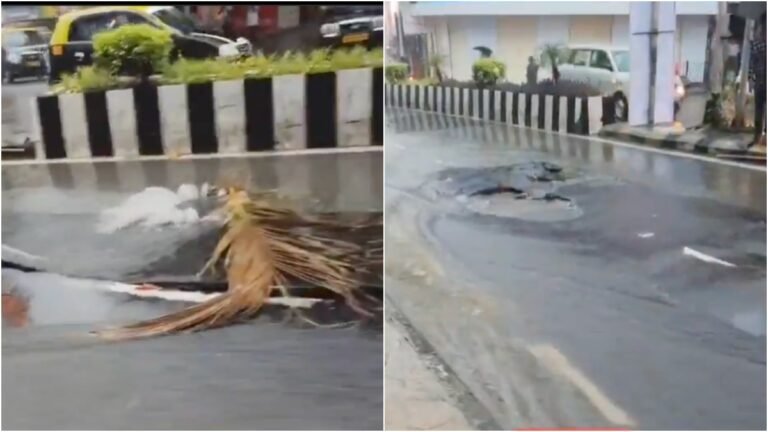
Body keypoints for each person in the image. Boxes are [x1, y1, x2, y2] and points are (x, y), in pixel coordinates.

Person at [749, 16, 766, 147]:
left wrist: (751, 79)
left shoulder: (757, 42)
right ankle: (761, 136)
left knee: (759, 110)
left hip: (760, 80)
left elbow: (752, 63)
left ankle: (758, 136)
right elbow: (752, 62)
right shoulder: (757, 43)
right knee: (759, 110)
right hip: (760, 80)